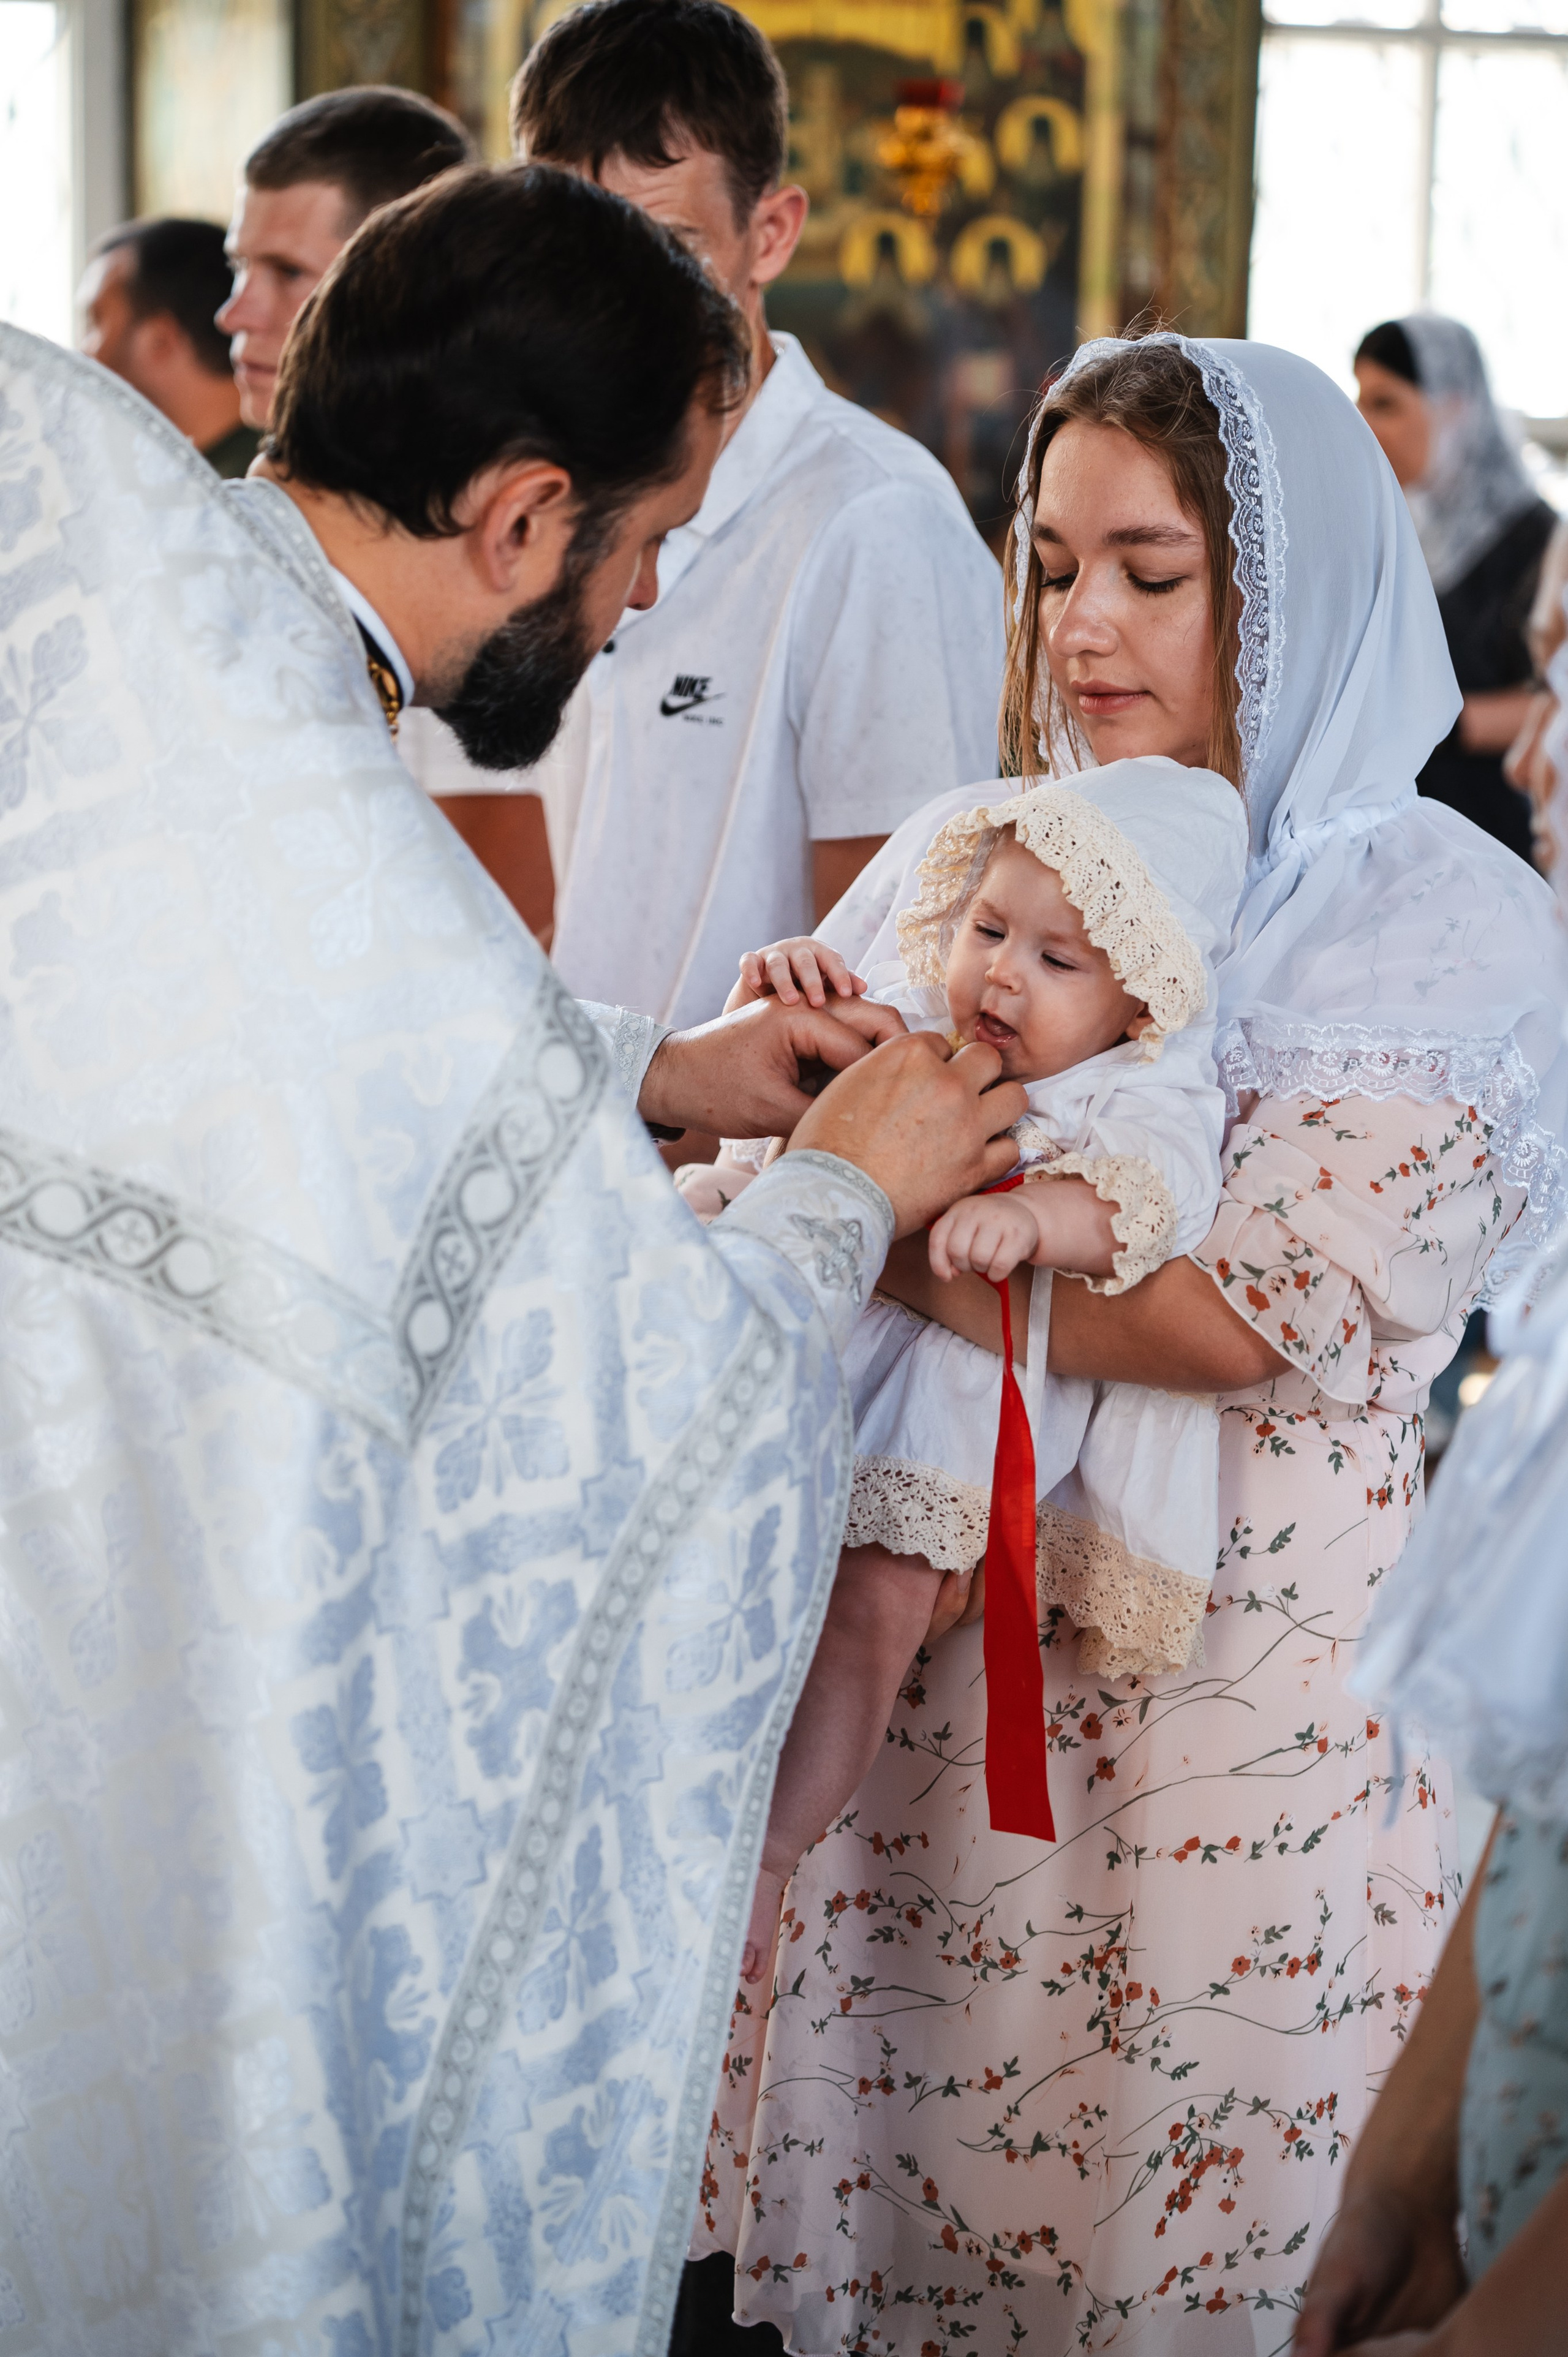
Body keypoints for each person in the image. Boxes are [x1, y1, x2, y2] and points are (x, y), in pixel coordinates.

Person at [0, 164, 1031, 2356]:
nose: (643, 602)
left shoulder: (136, 613)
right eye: (642, 543)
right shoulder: (291, 767)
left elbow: (294, 1073)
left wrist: (670, 1071)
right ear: (517, 515)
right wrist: (849, 1173)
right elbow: (618, 1408)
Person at [683, 331, 1568, 2352]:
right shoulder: (991, 847)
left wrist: (870, 1203)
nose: (1083, 625)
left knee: (1182, 2213)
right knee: (933, 2189)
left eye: (1150, 572)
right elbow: (806, 1111)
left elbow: (1241, 1314)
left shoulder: (1422, 916)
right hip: (940, 1661)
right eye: (1052, 560)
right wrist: (806, 1140)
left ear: (1286, 587)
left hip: (1232, 1694)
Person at [702, 768, 1247, 1986]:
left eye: (1058, 962)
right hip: (831, 1357)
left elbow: (1156, 1203)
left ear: (1133, 999)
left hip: (949, 1402)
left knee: (873, 1607)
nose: (1001, 972)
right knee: (732, 1559)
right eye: (989, 929)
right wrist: (796, 978)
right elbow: (833, 1067)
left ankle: (766, 1858)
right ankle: (695, 1801)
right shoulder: (929, 1017)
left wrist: (1041, 1219)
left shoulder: (1135, 1084)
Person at [412, 0, 1002, 1036]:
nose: (615, 303)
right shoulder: (528, 493)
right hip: (568, 1118)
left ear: (768, 235)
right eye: (577, 254)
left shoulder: (875, 522)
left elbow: (900, 963)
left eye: (669, 246)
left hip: (742, 1173)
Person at [1354, 315, 1556, 864]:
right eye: (1360, 399)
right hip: (1398, 819)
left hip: (1488, 825)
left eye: (1386, 403)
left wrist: (1443, 722)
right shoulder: (1400, 525)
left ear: (1456, 407)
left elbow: (1557, 698)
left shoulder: (1541, 542)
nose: (1363, 422)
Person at [77, 216, 260, 477]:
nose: (81, 354)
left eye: (94, 323)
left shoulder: (258, 491)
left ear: (160, 340)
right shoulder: (188, 482)